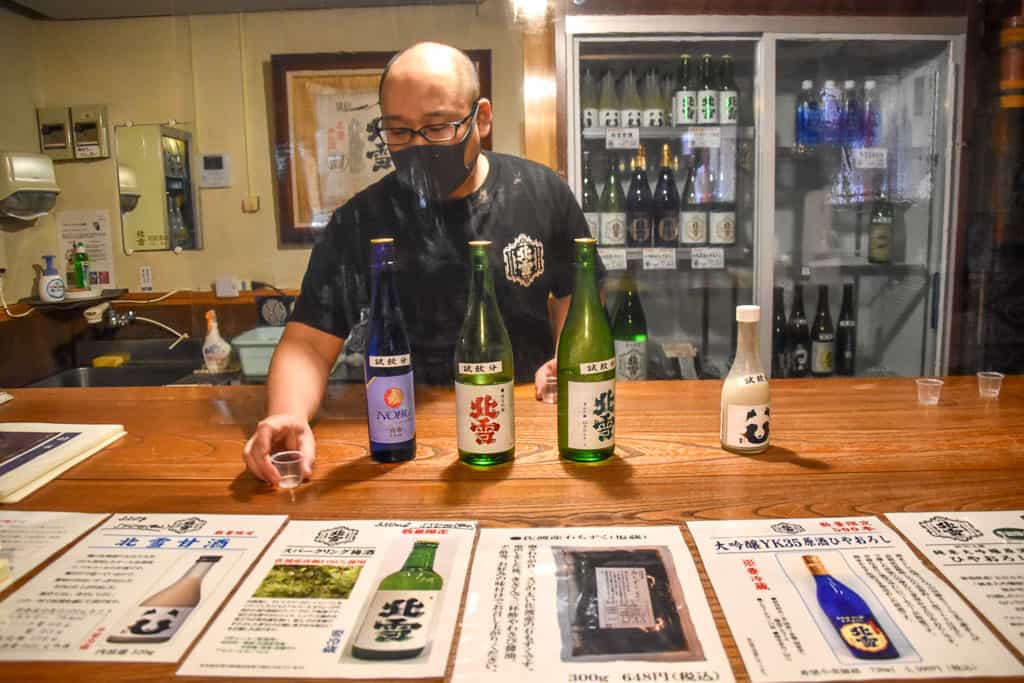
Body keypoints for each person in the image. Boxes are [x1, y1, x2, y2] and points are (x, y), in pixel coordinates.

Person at [243, 42, 597, 484]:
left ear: (481, 119)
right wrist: (286, 415)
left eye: (437, 126)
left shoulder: (540, 193)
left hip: (522, 426)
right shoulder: (361, 220)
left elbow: (575, 296)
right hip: (400, 435)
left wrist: (565, 362)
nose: (417, 145)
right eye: (398, 130)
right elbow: (309, 343)